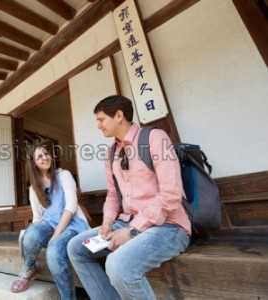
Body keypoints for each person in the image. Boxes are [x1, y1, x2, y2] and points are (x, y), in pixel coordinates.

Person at [67, 95, 191, 299]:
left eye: (101, 119)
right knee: (76, 248)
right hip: (127, 223)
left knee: (117, 266)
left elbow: (171, 194)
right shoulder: (111, 153)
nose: (98, 125)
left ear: (118, 115)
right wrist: (107, 223)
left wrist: (132, 231)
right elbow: (113, 194)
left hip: (168, 226)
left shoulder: (154, 138)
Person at [10, 145, 89, 299]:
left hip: (71, 225)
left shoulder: (64, 175)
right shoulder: (34, 188)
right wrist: (28, 237)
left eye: (46, 154)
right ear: (33, 163)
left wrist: (55, 235)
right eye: (39, 156)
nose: (45, 157)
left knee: (53, 253)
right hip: (49, 225)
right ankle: (28, 268)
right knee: (30, 234)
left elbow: (71, 207)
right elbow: (38, 218)